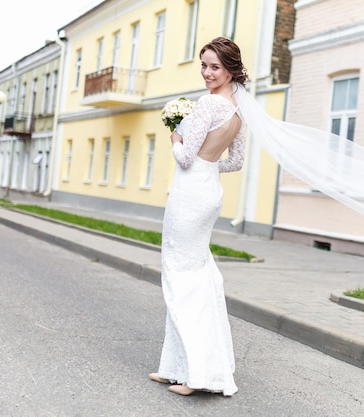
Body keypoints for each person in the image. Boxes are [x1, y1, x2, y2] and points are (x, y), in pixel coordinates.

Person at [149, 37, 247, 397]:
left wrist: (175, 137)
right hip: (209, 194)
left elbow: (185, 158)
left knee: (181, 279)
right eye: (204, 65)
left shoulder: (208, 105)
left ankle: (196, 374)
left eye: (215, 67)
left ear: (231, 70)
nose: (207, 73)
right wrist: (208, 165)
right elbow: (235, 163)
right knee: (197, 276)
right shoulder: (238, 110)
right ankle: (174, 367)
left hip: (190, 195)